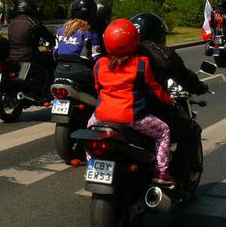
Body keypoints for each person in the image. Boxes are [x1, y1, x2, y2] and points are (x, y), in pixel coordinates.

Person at [87, 19, 176, 185]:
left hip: (101, 117)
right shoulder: (141, 63)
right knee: (164, 131)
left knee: (90, 130)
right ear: (135, 41)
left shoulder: (99, 64)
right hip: (133, 118)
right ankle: (162, 172)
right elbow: (155, 90)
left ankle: (92, 165)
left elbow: (98, 88)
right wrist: (169, 100)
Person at [132, 12, 208, 180]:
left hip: (112, 113)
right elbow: (184, 77)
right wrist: (200, 87)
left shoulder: (120, 53)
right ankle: (175, 178)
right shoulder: (162, 54)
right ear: (158, 34)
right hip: (147, 113)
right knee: (191, 130)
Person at [53, 0, 101, 95]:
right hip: (81, 73)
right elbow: (97, 58)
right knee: (100, 93)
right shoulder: (90, 33)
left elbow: (55, 54)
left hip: (59, 71)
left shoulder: (60, 30)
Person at [7, 0, 56, 69]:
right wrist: (56, 42)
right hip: (29, 57)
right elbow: (48, 36)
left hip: (11, 58)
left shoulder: (12, 22)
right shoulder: (33, 22)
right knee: (50, 62)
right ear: (31, 9)